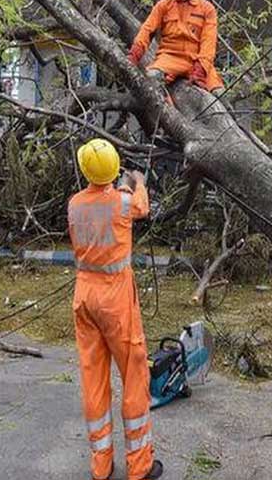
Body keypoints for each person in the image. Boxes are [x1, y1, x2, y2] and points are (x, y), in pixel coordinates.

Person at [68, 139, 162, 480]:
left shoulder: (74, 204)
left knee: (93, 378)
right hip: (115, 299)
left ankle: (101, 465)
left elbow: (101, 205)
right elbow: (141, 205)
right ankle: (140, 466)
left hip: (84, 295)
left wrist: (118, 187)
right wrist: (137, 180)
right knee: (134, 376)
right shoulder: (124, 203)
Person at [127, 0, 224, 95]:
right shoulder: (163, 5)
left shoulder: (207, 9)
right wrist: (134, 54)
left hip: (197, 60)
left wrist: (201, 68)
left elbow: (209, 42)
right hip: (169, 58)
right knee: (152, 80)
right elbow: (147, 30)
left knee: (219, 94)